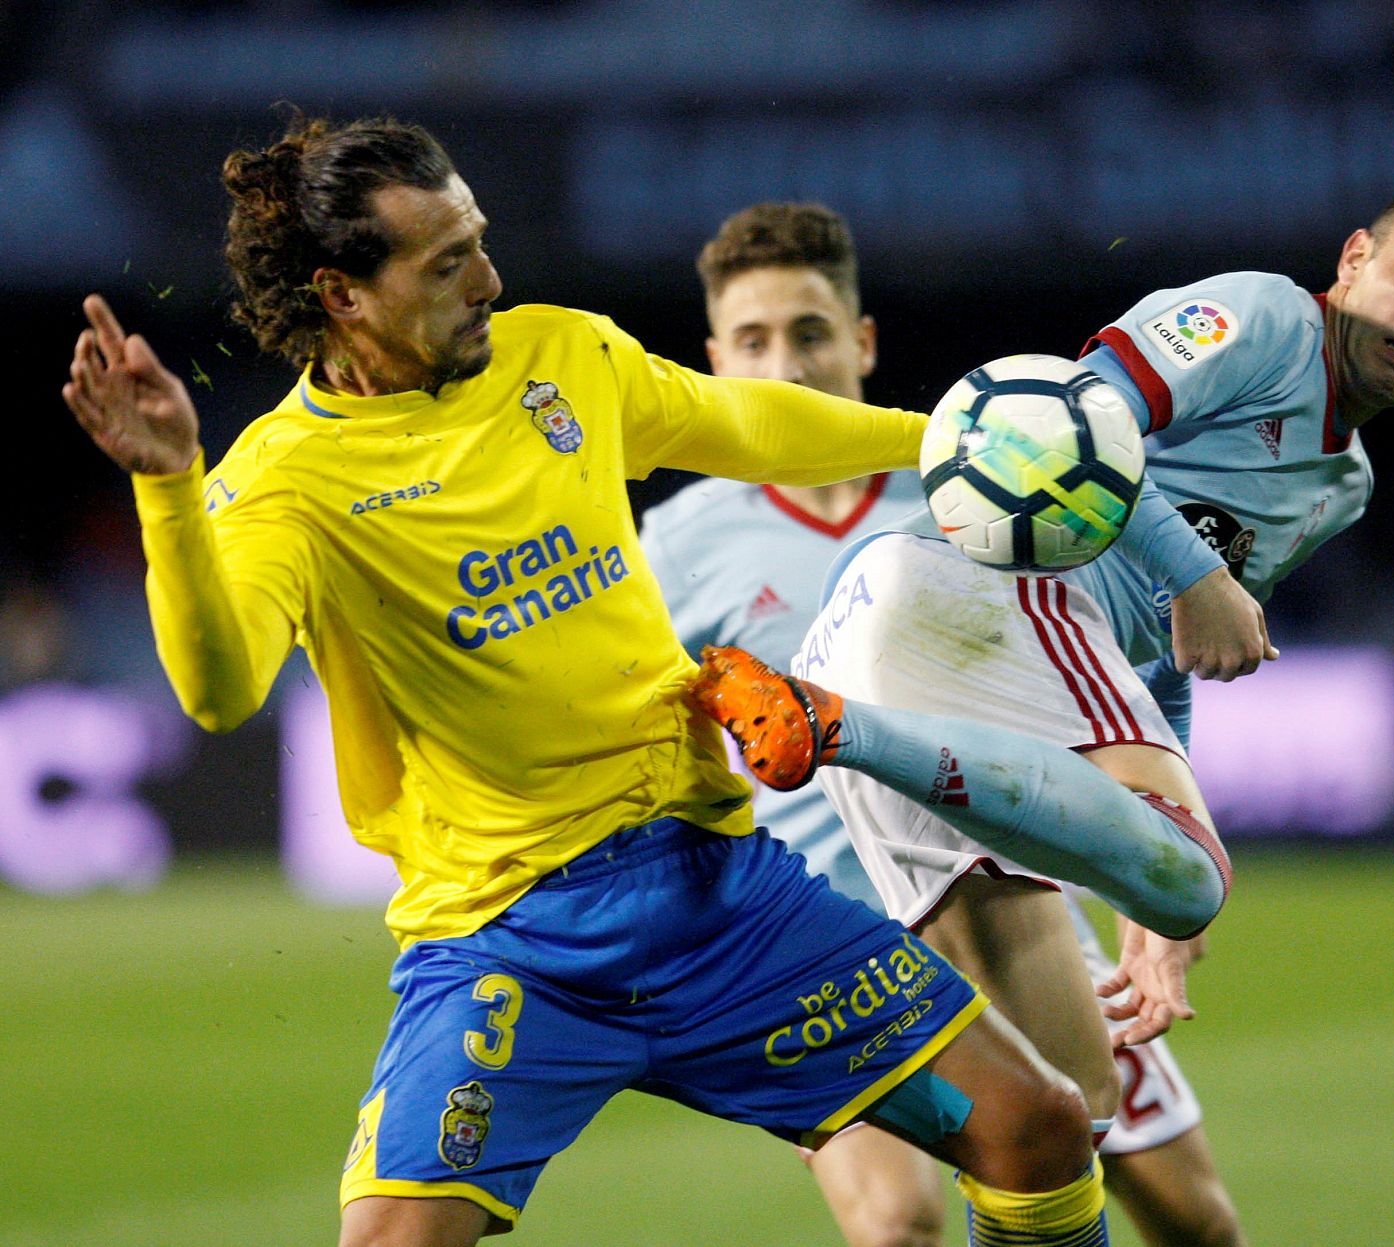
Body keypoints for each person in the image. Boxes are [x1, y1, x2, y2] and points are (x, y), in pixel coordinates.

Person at [60, 115, 1166, 1247]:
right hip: (512, 940)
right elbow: (220, 687)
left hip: (721, 897)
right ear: (343, 294)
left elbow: (744, 419)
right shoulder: (283, 484)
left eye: (479, 241)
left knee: (1036, 1126)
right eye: (447, 264)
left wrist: (949, 444)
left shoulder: (561, 357)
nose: (489, 279)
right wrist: (170, 490)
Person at [691, 172, 1394, 1241]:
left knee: (1059, 1120)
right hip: (976, 610)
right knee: (1193, 877)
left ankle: (844, 729)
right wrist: (1198, 577)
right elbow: (1051, 424)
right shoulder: (1265, 319)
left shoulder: (1341, 482)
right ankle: (836, 728)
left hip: (961, 677)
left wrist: (1136, 897)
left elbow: (1159, 659)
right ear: (1353, 261)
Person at [644, 201, 1246, 1246]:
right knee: (897, 1225)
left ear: (863, 340)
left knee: (1193, 1222)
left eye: (810, 330)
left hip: (1021, 908)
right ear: (710, 360)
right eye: (751, 340)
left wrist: (1146, 878)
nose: (783, 362)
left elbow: (1109, 672)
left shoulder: (977, 491)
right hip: (834, 945)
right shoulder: (678, 545)